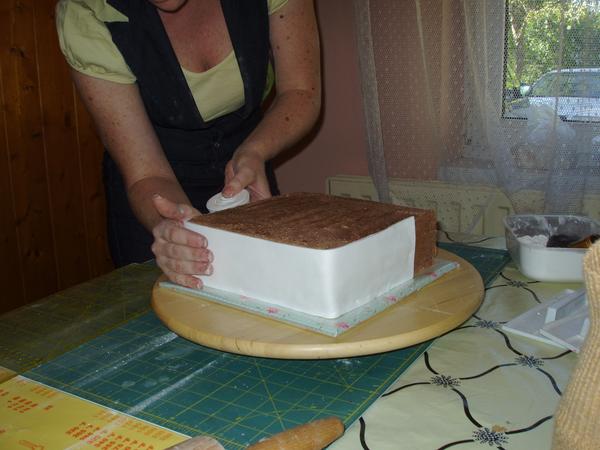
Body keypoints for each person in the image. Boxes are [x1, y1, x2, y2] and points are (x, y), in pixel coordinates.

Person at [56, 0, 321, 289]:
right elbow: (146, 174)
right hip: (153, 194)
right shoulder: (87, 11)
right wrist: (177, 230)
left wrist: (255, 151)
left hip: (248, 172)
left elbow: (300, 91)